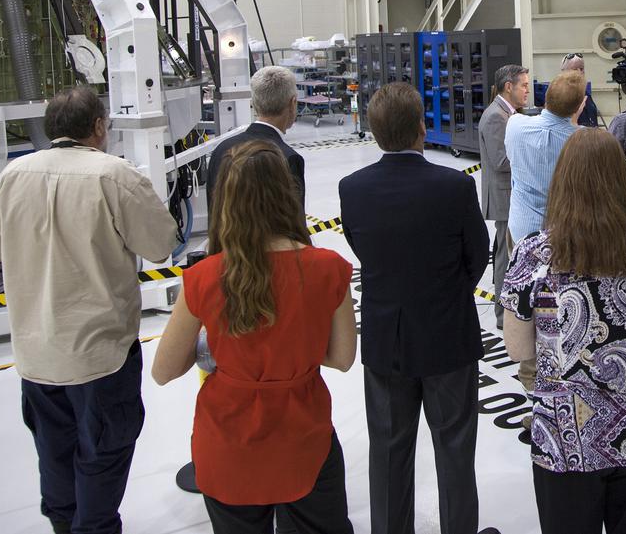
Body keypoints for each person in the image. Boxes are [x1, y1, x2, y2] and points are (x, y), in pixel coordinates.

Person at [0, 86, 177, 534]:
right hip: (99, 355)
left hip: (36, 355)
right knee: (104, 451)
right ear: (99, 127)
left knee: (53, 451)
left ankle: (65, 525)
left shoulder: (13, 175)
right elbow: (161, 245)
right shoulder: (114, 176)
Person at [152, 141, 357, 534]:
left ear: (225, 199)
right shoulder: (329, 269)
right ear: (287, 194)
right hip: (303, 435)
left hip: (227, 440)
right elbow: (342, 357)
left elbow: (164, 371)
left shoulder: (205, 277)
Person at [501, 128, 626, 534]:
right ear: (621, 179)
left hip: (565, 438)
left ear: (562, 180)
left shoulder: (535, 254)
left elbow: (516, 348)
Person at [337, 83, 495, 534]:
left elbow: (362, 248)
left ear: (373, 131)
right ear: (423, 129)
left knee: (387, 451)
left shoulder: (354, 189)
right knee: (455, 450)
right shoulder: (453, 186)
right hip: (448, 338)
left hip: (389, 341)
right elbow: (477, 254)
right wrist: (449, 294)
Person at [207, 65, 306, 218]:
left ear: (254, 103)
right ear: (293, 103)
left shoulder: (222, 149)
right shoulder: (287, 158)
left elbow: (214, 214)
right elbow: (293, 227)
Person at [478, 64, 530, 328]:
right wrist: (530, 152)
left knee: (505, 253)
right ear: (508, 87)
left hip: (509, 194)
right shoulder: (496, 116)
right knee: (504, 257)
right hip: (504, 196)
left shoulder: (507, 113)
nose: (527, 90)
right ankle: (502, 315)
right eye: (523, 85)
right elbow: (500, 160)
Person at [506, 70, 586, 241]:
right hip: (563, 235)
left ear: (546, 97)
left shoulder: (515, 125)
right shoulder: (583, 140)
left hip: (521, 231)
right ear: (580, 106)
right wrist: (574, 121)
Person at [561, 52, 601, 127]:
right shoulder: (562, 96)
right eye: (575, 69)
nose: (580, 72)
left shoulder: (585, 94)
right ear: (564, 71)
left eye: (581, 68)